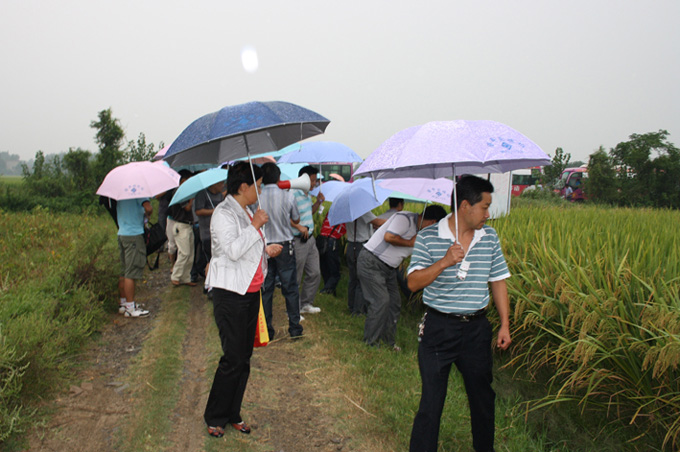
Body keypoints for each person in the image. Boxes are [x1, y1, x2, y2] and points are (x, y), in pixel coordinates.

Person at [407, 175, 512, 452]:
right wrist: (444, 262)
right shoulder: (429, 236)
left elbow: (498, 281)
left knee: (482, 398)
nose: (488, 214)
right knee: (431, 402)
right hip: (439, 328)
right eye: (484, 207)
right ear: (465, 206)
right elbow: (413, 283)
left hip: (476, 330)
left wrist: (504, 324)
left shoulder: (489, 237)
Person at [203, 161, 283, 438]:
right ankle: (215, 416)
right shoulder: (223, 213)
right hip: (231, 294)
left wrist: (265, 250)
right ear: (243, 186)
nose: (260, 192)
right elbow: (233, 251)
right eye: (257, 187)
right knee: (233, 358)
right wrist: (255, 226)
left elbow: (248, 247)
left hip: (251, 292)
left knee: (244, 358)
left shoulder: (247, 210)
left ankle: (233, 412)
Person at [358, 205, 447, 350]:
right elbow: (389, 237)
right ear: (432, 222)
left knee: (394, 303)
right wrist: (410, 242)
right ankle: (371, 343)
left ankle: (388, 342)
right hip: (372, 262)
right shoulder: (405, 218)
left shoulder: (421, 232)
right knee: (381, 301)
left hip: (389, 269)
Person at [259, 162, 304, 339]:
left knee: (266, 288)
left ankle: (267, 330)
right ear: (279, 177)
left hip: (264, 246)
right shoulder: (288, 195)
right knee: (290, 287)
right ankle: (294, 328)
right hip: (285, 246)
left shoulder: (257, 197)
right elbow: (296, 218)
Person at [290, 165, 324, 314]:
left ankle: (306, 304)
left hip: (310, 239)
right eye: (312, 180)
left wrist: (318, 202)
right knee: (296, 276)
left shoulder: (307, 195)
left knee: (314, 272)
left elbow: (309, 211)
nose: (314, 184)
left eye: (315, 181)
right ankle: (293, 309)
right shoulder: (292, 194)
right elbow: (285, 216)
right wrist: (298, 227)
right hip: (298, 240)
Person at [116, 197, 152, 317]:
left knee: (124, 270)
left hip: (122, 233)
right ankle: (130, 308)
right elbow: (148, 208)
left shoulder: (121, 193)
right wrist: (147, 214)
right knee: (131, 272)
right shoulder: (139, 192)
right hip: (134, 235)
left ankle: (124, 303)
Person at [345, 212, 386, 315]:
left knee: (353, 279)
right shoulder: (362, 210)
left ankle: (351, 306)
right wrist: (395, 221)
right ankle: (358, 311)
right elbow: (377, 222)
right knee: (362, 280)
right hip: (360, 246)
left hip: (351, 245)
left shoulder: (349, 210)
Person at [194, 180, 226, 292]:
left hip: (219, 232)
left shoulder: (220, 195)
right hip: (207, 233)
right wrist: (214, 211)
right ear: (213, 184)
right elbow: (198, 211)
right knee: (211, 259)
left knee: (218, 258)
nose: (222, 186)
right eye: (220, 184)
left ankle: (215, 283)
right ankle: (209, 286)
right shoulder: (202, 194)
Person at [169, 170, 196, 286]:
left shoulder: (185, 192)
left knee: (190, 254)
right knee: (184, 253)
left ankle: (186, 277)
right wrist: (191, 199)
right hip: (181, 225)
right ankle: (175, 275)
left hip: (188, 224)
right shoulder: (180, 192)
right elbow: (187, 208)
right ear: (183, 180)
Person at [317, 213, 346, 296]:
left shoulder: (331, 212)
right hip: (331, 243)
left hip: (321, 242)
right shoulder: (346, 217)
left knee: (325, 268)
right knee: (335, 272)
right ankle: (325, 291)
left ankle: (330, 292)